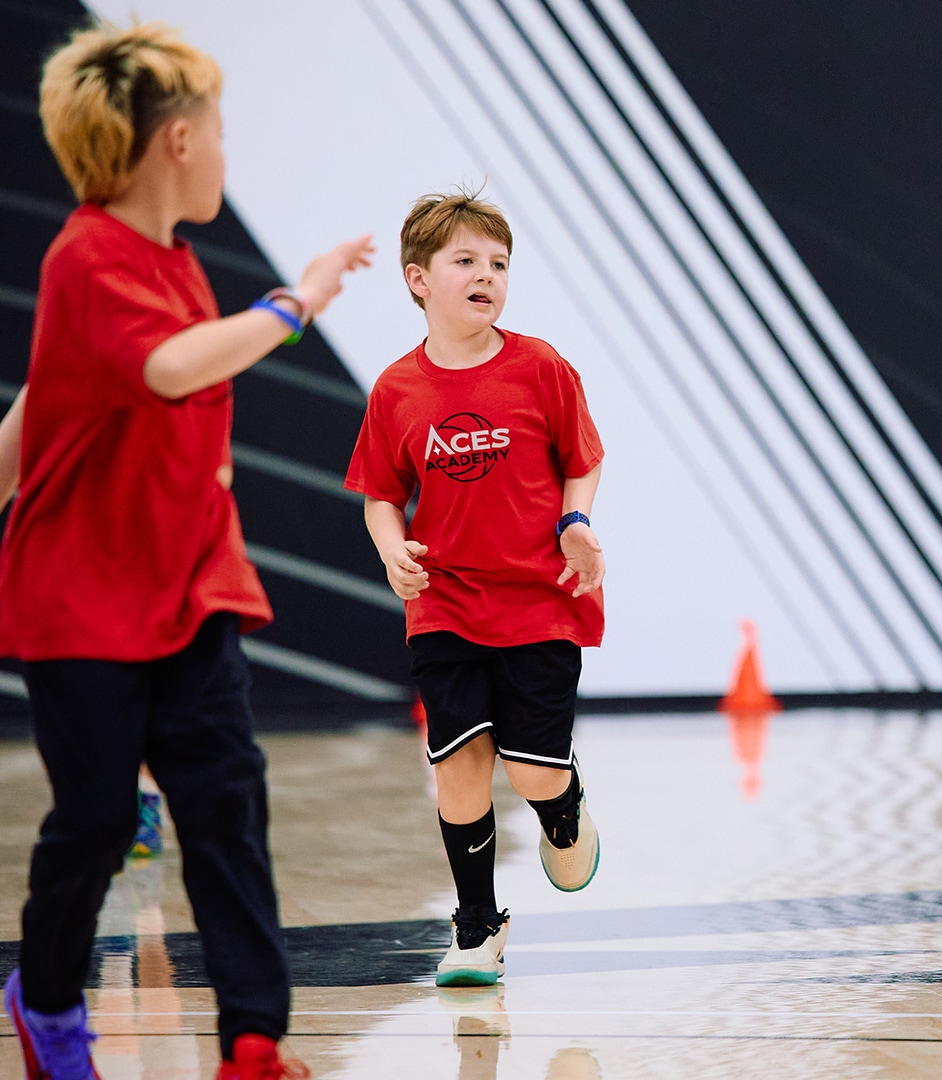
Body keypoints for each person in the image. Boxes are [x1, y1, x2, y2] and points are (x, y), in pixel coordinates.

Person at [1, 20, 373, 1080]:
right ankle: (47, 1001)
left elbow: (44, 403)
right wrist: (297, 302)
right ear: (175, 140)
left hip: (193, 585)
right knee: (97, 822)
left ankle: (253, 1040)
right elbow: (167, 370)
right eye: (217, 129)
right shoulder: (85, 254)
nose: (221, 150)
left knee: (225, 803)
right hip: (84, 598)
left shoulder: (173, 261)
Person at [346, 190, 608, 990]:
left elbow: (584, 458)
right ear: (418, 279)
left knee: (529, 773)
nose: (486, 275)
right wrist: (392, 550)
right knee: (458, 764)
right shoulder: (396, 390)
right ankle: (476, 926)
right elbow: (380, 495)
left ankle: (563, 804)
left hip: (539, 599)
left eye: (498, 263)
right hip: (445, 604)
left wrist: (575, 521)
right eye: (465, 260)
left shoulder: (541, 367)